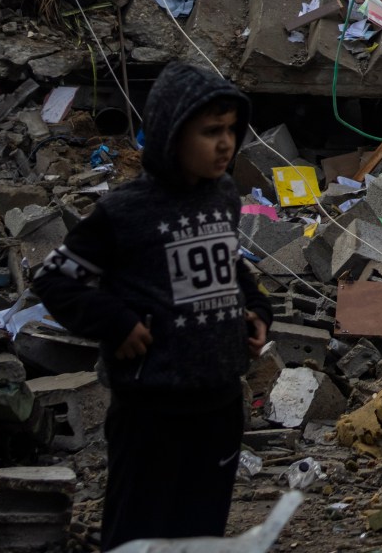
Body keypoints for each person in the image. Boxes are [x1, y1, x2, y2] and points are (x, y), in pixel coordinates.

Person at [33, 62, 272, 550]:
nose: (225, 143)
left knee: (201, 529)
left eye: (231, 130)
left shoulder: (223, 196)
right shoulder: (126, 212)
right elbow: (57, 280)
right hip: (151, 409)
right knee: (140, 531)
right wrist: (115, 323)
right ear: (170, 136)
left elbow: (229, 265)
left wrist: (255, 310)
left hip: (220, 401)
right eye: (210, 132)